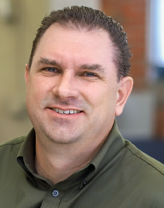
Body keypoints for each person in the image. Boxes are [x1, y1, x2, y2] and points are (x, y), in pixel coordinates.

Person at [0, 6, 164, 208]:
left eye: (88, 74)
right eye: (50, 69)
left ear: (120, 96)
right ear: (28, 79)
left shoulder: (156, 197)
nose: (64, 90)